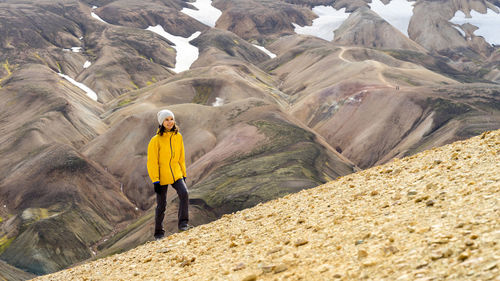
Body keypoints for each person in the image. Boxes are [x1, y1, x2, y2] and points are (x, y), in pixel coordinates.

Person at [147, 109, 192, 240]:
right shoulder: (155, 140)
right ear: (161, 123)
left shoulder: (178, 137)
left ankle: (183, 224)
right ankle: (158, 233)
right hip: (161, 176)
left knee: (184, 194)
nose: (169, 122)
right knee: (161, 205)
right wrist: (155, 180)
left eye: (171, 119)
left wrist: (183, 173)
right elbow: (152, 162)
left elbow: (181, 157)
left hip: (176, 173)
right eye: (166, 120)